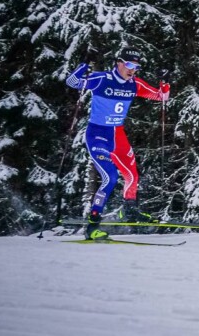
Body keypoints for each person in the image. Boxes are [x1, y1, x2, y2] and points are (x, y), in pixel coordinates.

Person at [66, 48, 171, 240]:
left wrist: (165, 81)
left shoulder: (135, 84)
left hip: (118, 135)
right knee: (110, 177)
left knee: (132, 174)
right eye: (130, 65)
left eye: (136, 67)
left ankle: (128, 210)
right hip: (98, 135)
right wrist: (84, 65)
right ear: (119, 63)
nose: (133, 70)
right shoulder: (101, 79)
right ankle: (92, 226)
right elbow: (72, 82)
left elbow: (161, 97)